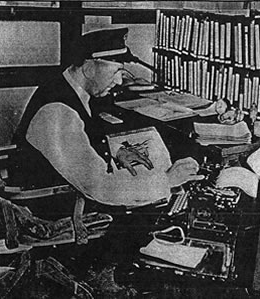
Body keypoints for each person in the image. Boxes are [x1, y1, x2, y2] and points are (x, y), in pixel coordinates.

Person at [11, 27, 203, 218]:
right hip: (54, 213)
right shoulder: (58, 112)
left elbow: (82, 148)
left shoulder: (70, 89)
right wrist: (166, 181)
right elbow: (99, 187)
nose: (120, 81)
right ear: (88, 68)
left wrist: (118, 153)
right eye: (117, 71)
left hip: (69, 196)